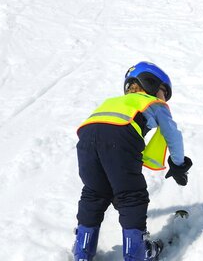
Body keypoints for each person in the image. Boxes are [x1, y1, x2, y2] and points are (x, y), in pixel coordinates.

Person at [71, 62, 191, 261]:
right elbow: (173, 135)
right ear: (151, 84)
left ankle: (82, 251)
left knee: (94, 193)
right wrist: (179, 164)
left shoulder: (113, 102)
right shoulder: (154, 104)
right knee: (130, 194)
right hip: (120, 138)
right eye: (164, 92)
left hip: (86, 139)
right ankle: (136, 253)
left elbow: (100, 129)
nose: (165, 98)